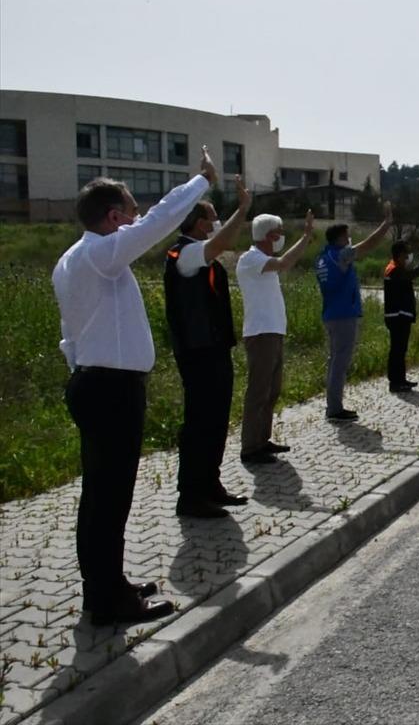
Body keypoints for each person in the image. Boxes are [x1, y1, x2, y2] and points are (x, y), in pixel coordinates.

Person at [53, 146, 218, 626]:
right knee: (109, 498)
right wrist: (201, 181)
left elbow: (71, 332)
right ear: (112, 217)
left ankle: (108, 584)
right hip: (110, 389)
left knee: (104, 496)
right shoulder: (102, 252)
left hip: (93, 381)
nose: (137, 218)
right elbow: (160, 221)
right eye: (129, 212)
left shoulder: (75, 259)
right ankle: (106, 602)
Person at [164, 175, 252, 519]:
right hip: (197, 351)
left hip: (214, 348)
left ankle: (210, 483)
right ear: (199, 223)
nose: (216, 223)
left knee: (216, 420)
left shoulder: (199, 255)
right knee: (199, 422)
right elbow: (218, 246)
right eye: (212, 217)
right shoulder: (183, 253)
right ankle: (190, 494)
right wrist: (243, 210)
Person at [237, 209, 315, 464]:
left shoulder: (261, 261)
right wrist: (305, 237)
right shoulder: (250, 259)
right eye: (278, 234)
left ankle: (262, 439)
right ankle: (250, 447)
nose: (280, 239)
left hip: (273, 331)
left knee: (272, 390)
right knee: (258, 391)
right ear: (269, 236)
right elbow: (283, 263)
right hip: (260, 333)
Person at [315, 204, 392, 422]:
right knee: (340, 363)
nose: (349, 239)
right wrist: (385, 225)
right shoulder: (340, 256)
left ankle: (332, 404)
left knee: (334, 361)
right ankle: (334, 409)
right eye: (347, 236)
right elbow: (368, 245)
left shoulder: (322, 257)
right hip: (343, 315)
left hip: (331, 313)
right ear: (340, 238)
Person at [383, 240, 419, 391]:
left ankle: (401, 379)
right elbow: (413, 274)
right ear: (399, 255)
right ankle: (395, 382)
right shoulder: (394, 270)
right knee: (397, 350)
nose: (408, 257)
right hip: (397, 316)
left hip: (399, 315)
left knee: (400, 349)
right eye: (406, 254)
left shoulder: (395, 268)